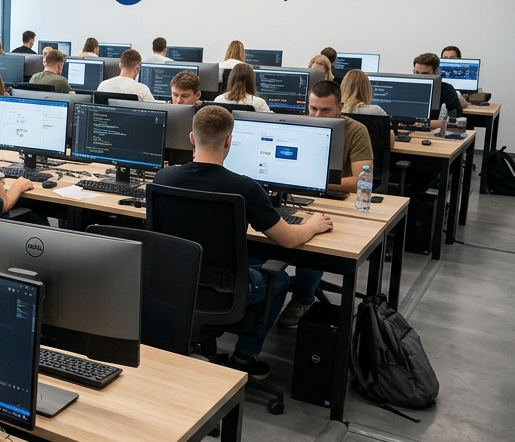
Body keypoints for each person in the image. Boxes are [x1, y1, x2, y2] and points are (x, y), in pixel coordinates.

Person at [153, 105, 332, 375]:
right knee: (279, 279)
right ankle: (244, 357)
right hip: (226, 291)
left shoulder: (163, 178)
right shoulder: (244, 188)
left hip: (175, 284)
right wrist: (312, 225)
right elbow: (288, 240)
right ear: (229, 141)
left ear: (192, 138)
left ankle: (205, 346)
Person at [279, 82, 374, 329]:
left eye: (325, 111)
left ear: (340, 108)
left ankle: (303, 298)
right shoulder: (299, 124)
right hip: (293, 195)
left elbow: (361, 181)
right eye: (312, 109)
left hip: (333, 202)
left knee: (313, 246)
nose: (317, 116)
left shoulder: (356, 130)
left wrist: (320, 183)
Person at [413, 52, 463, 123]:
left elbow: (455, 118)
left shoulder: (446, 90)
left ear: (436, 72)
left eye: (425, 74)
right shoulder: (408, 89)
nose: (420, 77)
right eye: (416, 73)